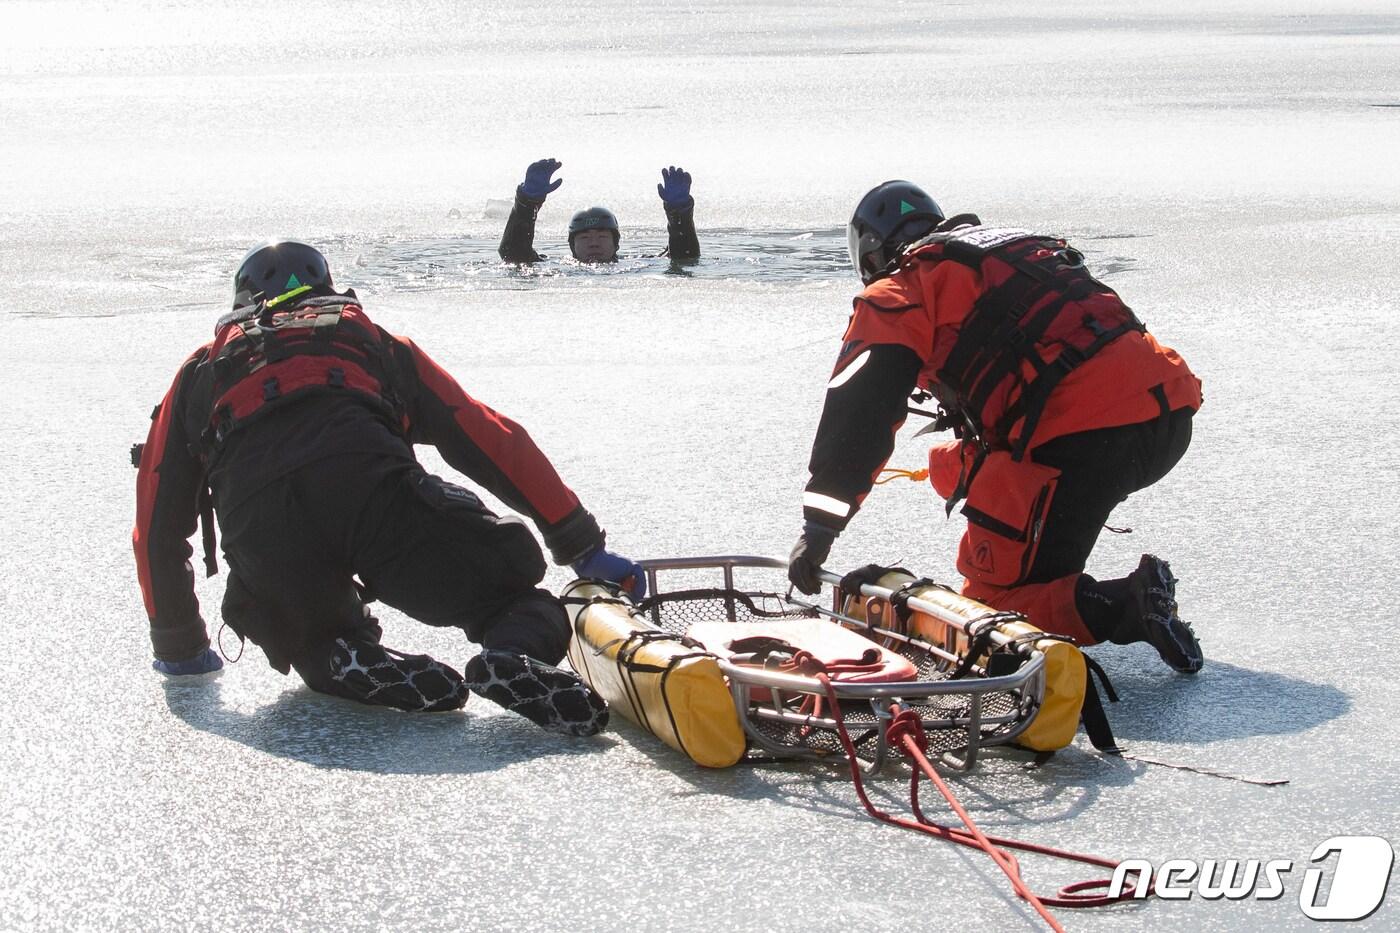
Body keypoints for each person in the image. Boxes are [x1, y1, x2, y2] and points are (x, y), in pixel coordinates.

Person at [133, 240, 646, 734]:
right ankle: (510, 655)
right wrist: (579, 545)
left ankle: (341, 655)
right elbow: (490, 438)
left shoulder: (201, 371)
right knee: (517, 603)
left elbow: (155, 527)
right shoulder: (373, 343)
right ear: (328, 287)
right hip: (373, 489)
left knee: (309, 637)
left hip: (263, 527)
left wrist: (179, 645)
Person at [788, 181, 1204, 673]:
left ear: (872, 258)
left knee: (991, 611)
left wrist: (820, 529)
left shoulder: (900, 291)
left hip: (1083, 437)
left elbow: (858, 414)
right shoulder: (1011, 248)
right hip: (1167, 413)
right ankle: (1067, 579)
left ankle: (1126, 606)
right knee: (962, 470)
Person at [498, 158, 700, 264]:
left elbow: (684, 256)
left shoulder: (638, 264)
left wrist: (678, 214)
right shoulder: (558, 268)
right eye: (584, 238)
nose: (594, 243)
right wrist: (526, 203)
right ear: (572, 245)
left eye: (602, 236)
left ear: (616, 243)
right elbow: (513, 254)